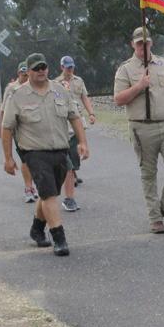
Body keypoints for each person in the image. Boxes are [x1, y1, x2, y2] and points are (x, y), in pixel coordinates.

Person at [1, 53, 89, 256]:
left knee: (48, 192)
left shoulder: (60, 91)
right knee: (49, 194)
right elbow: (7, 128)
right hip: (34, 152)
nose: (41, 71)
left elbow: (74, 117)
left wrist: (83, 142)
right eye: (36, 68)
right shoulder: (18, 95)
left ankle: (37, 229)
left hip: (60, 150)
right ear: (28, 71)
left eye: (44, 67)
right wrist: (8, 158)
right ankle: (59, 238)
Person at [114, 27, 164, 234]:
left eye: (146, 43)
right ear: (133, 44)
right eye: (139, 43)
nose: (143, 47)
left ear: (151, 44)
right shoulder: (126, 69)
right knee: (149, 173)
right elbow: (119, 99)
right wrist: (139, 86)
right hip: (142, 127)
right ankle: (155, 217)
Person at [55, 55, 96, 213]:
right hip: (63, 127)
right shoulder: (55, 84)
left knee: (73, 162)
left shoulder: (79, 81)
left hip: (77, 125)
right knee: (68, 166)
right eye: (67, 67)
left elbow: (84, 98)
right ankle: (69, 198)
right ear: (61, 67)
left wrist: (91, 113)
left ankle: (70, 176)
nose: (70, 69)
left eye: (71, 66)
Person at [0, 61, 38, 203]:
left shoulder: (34, 86)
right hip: (17, 128)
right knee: (25, 159)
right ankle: (28, 188)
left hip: (34, 128)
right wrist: (1, 127)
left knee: (36, 159)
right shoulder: (11, 88)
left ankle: (36, 185)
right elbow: (3, 109)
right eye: (22, 73)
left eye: (26, 73)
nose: (24, 76)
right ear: (18, 73)